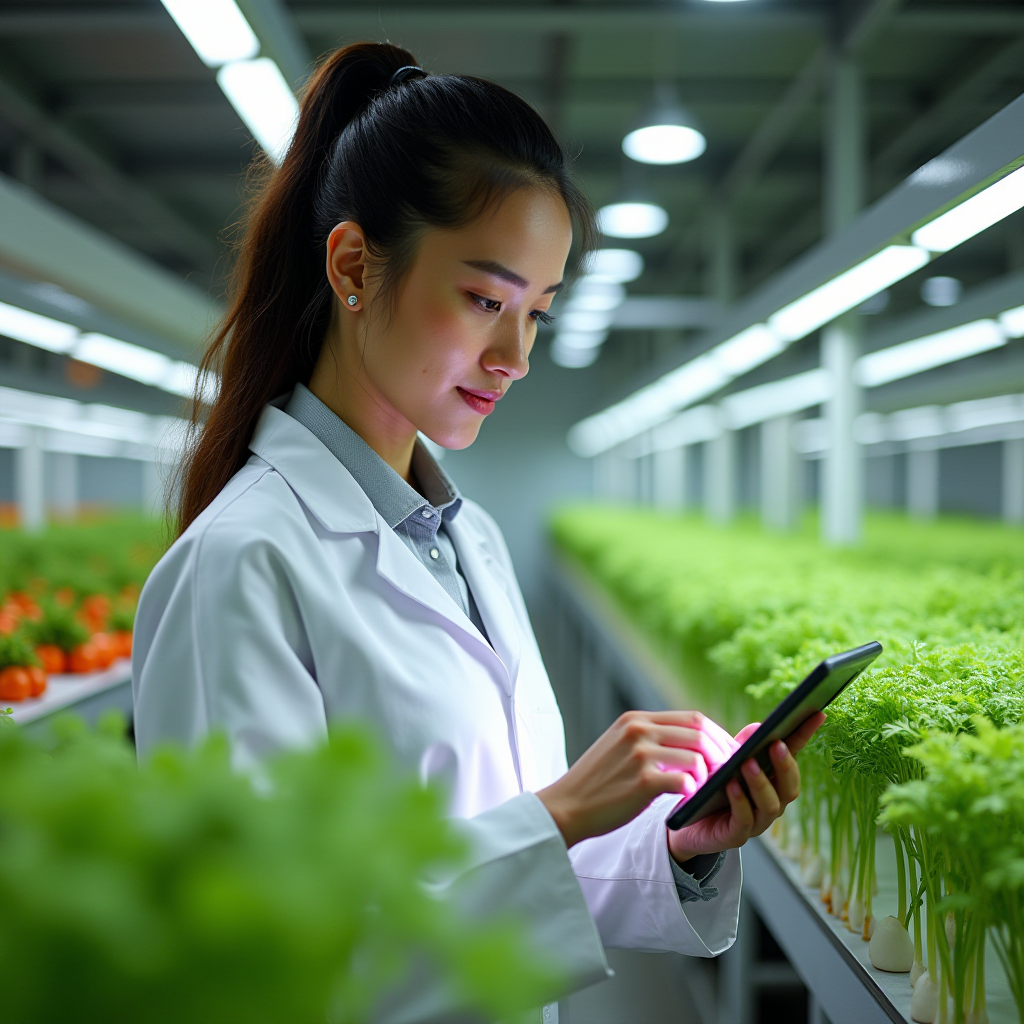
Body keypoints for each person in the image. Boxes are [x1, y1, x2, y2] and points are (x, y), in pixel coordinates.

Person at [133, 42, 823, 1022]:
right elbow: (255, 960)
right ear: (353, 266)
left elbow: (515, 877)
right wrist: (561, 810)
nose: (515, 355)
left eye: (536, 313)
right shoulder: (241, 564)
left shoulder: (469, 543)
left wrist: (671, 841)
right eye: (484, 300)